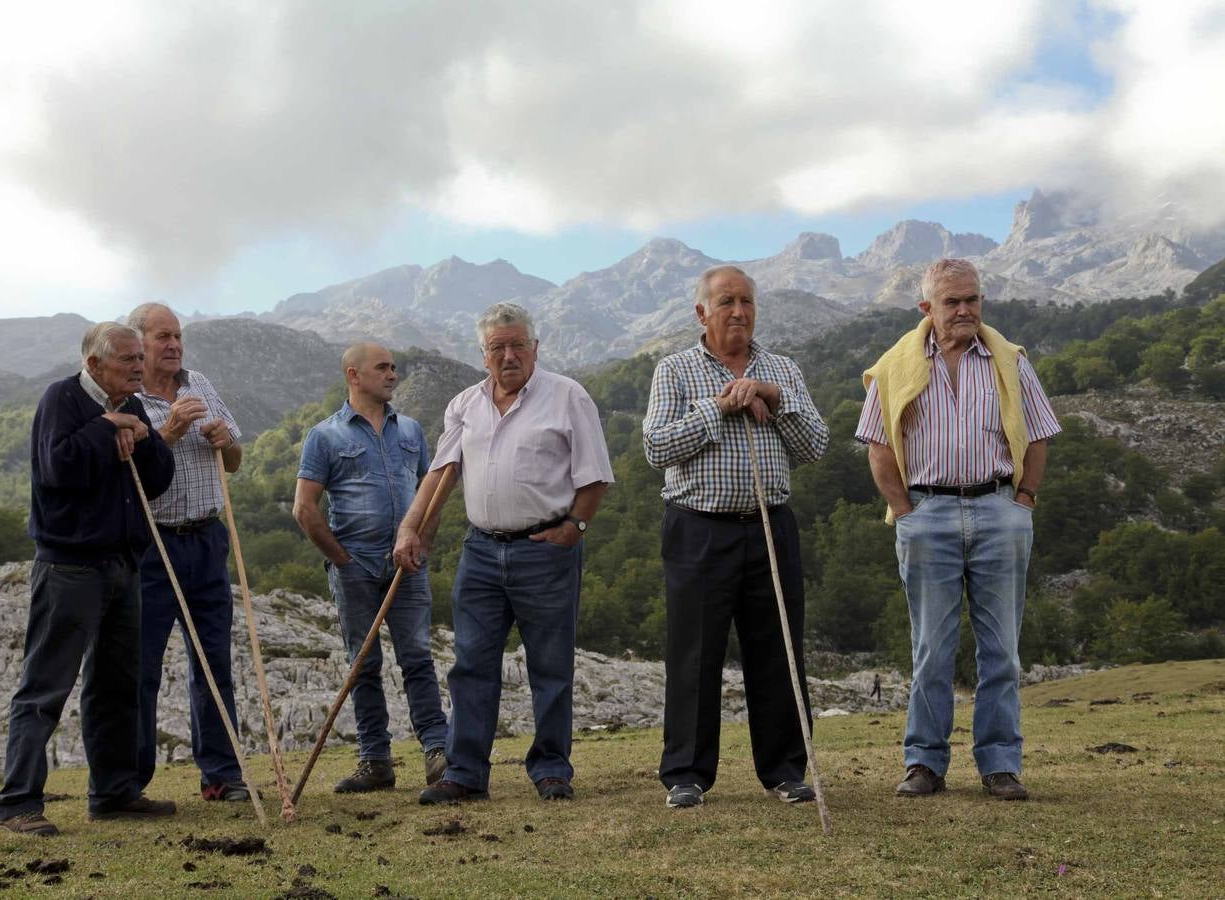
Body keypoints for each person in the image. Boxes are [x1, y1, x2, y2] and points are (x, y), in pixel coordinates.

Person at [856, 258, 1060, 801]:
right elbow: (877, 445)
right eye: (952, 302)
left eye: (973, 299)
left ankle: (1000, 765)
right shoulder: (895, 365)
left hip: (999, 511)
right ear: (927, 308)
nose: (966, 309)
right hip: (928, 515)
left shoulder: (1009, 360)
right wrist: (905, 512)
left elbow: (1037, 436)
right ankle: (924, 763)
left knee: (1002, 649)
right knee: (932, 647)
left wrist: (1023, 502)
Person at [393, 303, 613, 804]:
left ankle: (552, 769)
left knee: (550, 665)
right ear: (483, 355)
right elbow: (441, 473)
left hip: (545, 550)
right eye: (498, 348)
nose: (509, 356)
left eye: (518, 345)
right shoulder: (465, 405)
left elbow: (595, 474)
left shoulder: (568, 397)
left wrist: (574, 527)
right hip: (482, 552)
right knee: (471, 663)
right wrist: (412, 529)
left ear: (535, 348)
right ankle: (465, 772)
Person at [643, 265, 829, 810]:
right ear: (702, 312)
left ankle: (786, 771)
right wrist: (718, 408)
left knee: (778, 649)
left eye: (746, 301)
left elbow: (815, 444)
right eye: (726, 302)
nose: (739, 312)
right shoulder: (675, 371)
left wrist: (773, 401)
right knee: (693, 652)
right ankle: (686, 774)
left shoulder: (782, 369)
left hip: (770, 525)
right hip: (698, 528)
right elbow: (657, 448)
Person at [0, 322, 176, 836]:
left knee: (117, 685)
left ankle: (114, 794)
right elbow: (57, 469)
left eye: (140, 358)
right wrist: (106, 426)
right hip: (69, 566)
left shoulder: (136, 407)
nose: (139, 367)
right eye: (128, 359)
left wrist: (142, 436)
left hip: (122, 565)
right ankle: (19, 804)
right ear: (95, 363)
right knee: (46, 684)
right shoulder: (63, 398)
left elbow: (159, 480)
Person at [293, 342, 450, 792]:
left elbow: (431, 492)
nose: (393, 375)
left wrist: (422, 541)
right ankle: (375, 762)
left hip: (409, 567)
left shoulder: (412, 431)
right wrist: (341, 560)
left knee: (418, 657)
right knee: (363, 664)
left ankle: (437, 753)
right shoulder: (325, 436)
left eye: (394, 368)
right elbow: (304, 508)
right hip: (355, 566)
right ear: (354, 375)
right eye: (383, 368)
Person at [128, 303, 251, 804]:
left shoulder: (199, 382)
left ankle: (222, 775)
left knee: (214, 660)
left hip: (206, 537)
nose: (174, 345)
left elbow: (237, 460)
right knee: (142, 666)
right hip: (152, 544)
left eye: (177, 335)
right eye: (162, 336)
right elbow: (127, 466)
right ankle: (128, 786)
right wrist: (172, 430)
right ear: (140, 344)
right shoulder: (127, 398)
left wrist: (226, 440)